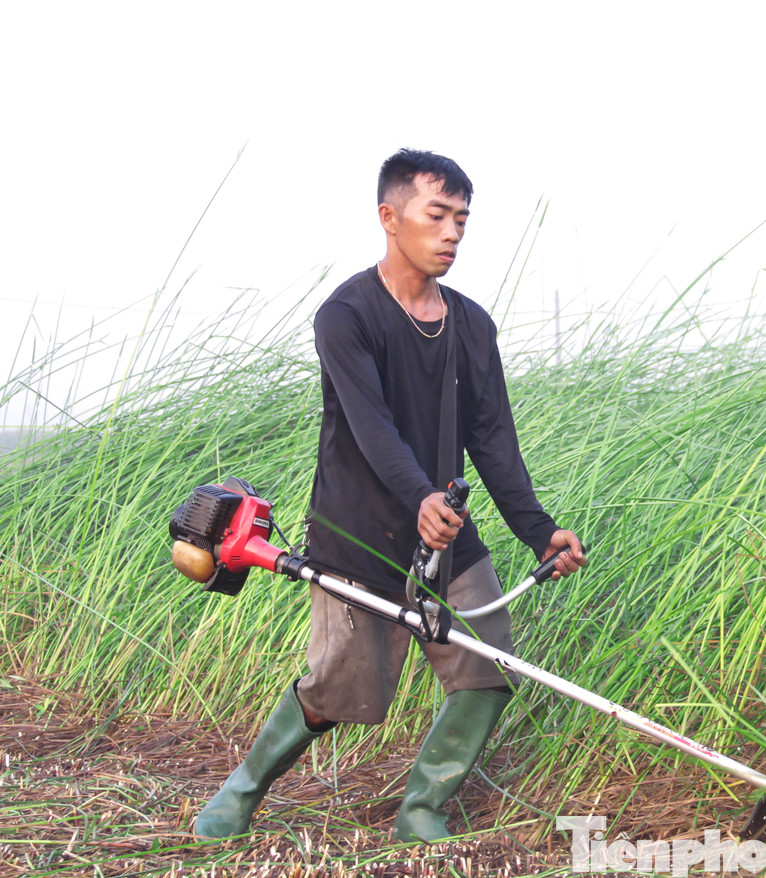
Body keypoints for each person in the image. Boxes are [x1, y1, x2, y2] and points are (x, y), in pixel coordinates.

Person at [193, 149, 585, 844]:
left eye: (462, 219)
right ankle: (240, 792)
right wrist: (419, 499)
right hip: (358, 532)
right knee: (339, 690)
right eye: (437, 215)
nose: (453, 232)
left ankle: (421, 813)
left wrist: (538, 530)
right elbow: (372, 429)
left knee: (488, 668)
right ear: (389, 217)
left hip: (444, 531)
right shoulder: (345, 315)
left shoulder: (472, 325)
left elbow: (493, 440)